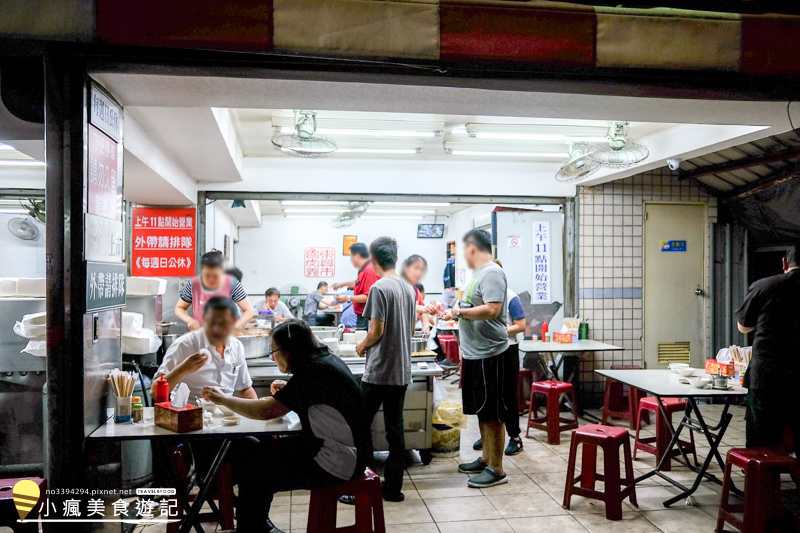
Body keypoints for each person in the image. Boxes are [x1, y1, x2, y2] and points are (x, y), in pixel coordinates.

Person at [201, 320, 371, 533]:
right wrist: (289, 390)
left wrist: (222, 399)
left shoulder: (313, 372)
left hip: (337, 461)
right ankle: (258, 524)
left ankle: (253, 528)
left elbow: (264, 411)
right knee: (255, 450)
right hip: (346, 452)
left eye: (274, 351)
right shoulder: (324, 361)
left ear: (289, 351)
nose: (272, 357)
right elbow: (316, 397)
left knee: (256, 468)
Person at [440, 229, 513, 488]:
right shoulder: (478, 276)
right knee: (482, 411)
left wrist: (459, 312)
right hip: (475, 353)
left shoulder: (492, 272)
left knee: (492, 412)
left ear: (473, 248)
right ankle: (485, 459)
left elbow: (493, 309)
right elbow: (473, 308)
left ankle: (497, 469)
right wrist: (455, 312)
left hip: (490, 354)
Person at [354, 237, 416, 501]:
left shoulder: (379, 288)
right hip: (401, 371)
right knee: (395, 431)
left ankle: (363, 487)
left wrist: (361, 345)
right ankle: (393, 489)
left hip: (379, 371)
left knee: (358, 425)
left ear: (374, 260)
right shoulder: (409, 289)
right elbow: (411, 329)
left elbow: (376, 331)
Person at [737, 241, 800, 448]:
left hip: (767, 376)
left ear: (784, 263)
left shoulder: (765, 285)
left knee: (762, 440)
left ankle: (763, 478)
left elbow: (743, 326)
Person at [153, 295, 257, 402]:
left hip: (226, 415)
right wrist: (183, 369)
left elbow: (244, 388)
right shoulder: (184, 344)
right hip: (188, 414)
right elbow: (154, 391)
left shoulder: (237, 346)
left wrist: (258, 413)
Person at [472, 271, 527, 456]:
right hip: (486, 350)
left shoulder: (511, 297)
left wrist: (499, 332)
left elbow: (521, 325)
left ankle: (515, 438)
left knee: (508, 396)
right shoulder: (481, 298)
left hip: (507, 349)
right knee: (488, 397)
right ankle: (489, 437)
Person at [175, 250, 254, 331]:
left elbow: (249, 311)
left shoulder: (232, 284)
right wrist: (190, 320)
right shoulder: (193, 285)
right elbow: (179, 307)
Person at [333, 243, 379, 330]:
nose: (350, 260)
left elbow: (369, 296)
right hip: (362, 316)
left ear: (357, 256)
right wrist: (342, 284)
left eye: (351, 256)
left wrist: (348, 298)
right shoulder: (364, 270)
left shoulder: (369, 271)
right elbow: (358, 284)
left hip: (367, 318)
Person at [400, 255, 437, 332]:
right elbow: (402, 306)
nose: (419, 273)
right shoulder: (399, 287)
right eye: (416, 268)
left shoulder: (416, 291)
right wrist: (423, 308)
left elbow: (422, 314)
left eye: (422, 270)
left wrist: (425, 327)